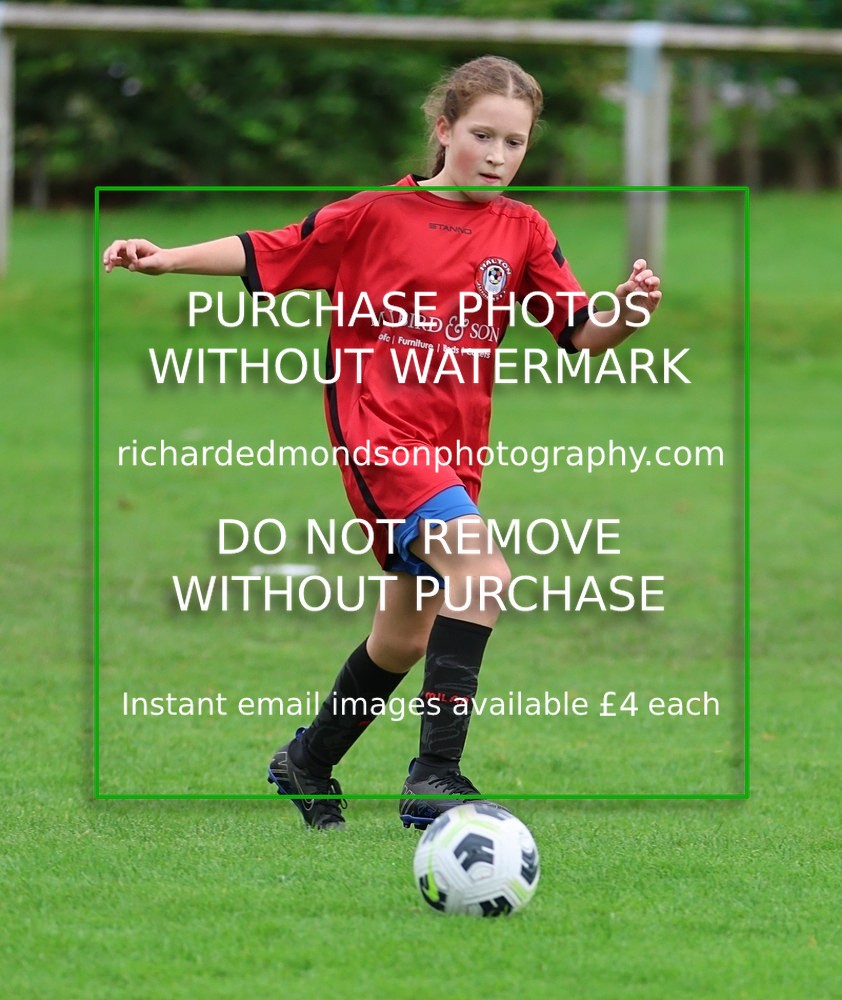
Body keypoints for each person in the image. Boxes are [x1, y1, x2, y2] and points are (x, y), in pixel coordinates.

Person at [103, 54, 662, 831]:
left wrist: (629, 311)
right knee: (483, 571)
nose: (498, 156)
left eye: (515, 142)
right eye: (482, 136)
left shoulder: (524, 229)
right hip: (380, 437)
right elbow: (270, 247)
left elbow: (581, 332)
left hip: (453, 454)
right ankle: (435, 775)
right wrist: (168, 257)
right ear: (443, 129)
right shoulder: (372, 216)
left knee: (404, 637)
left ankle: (308, 760)